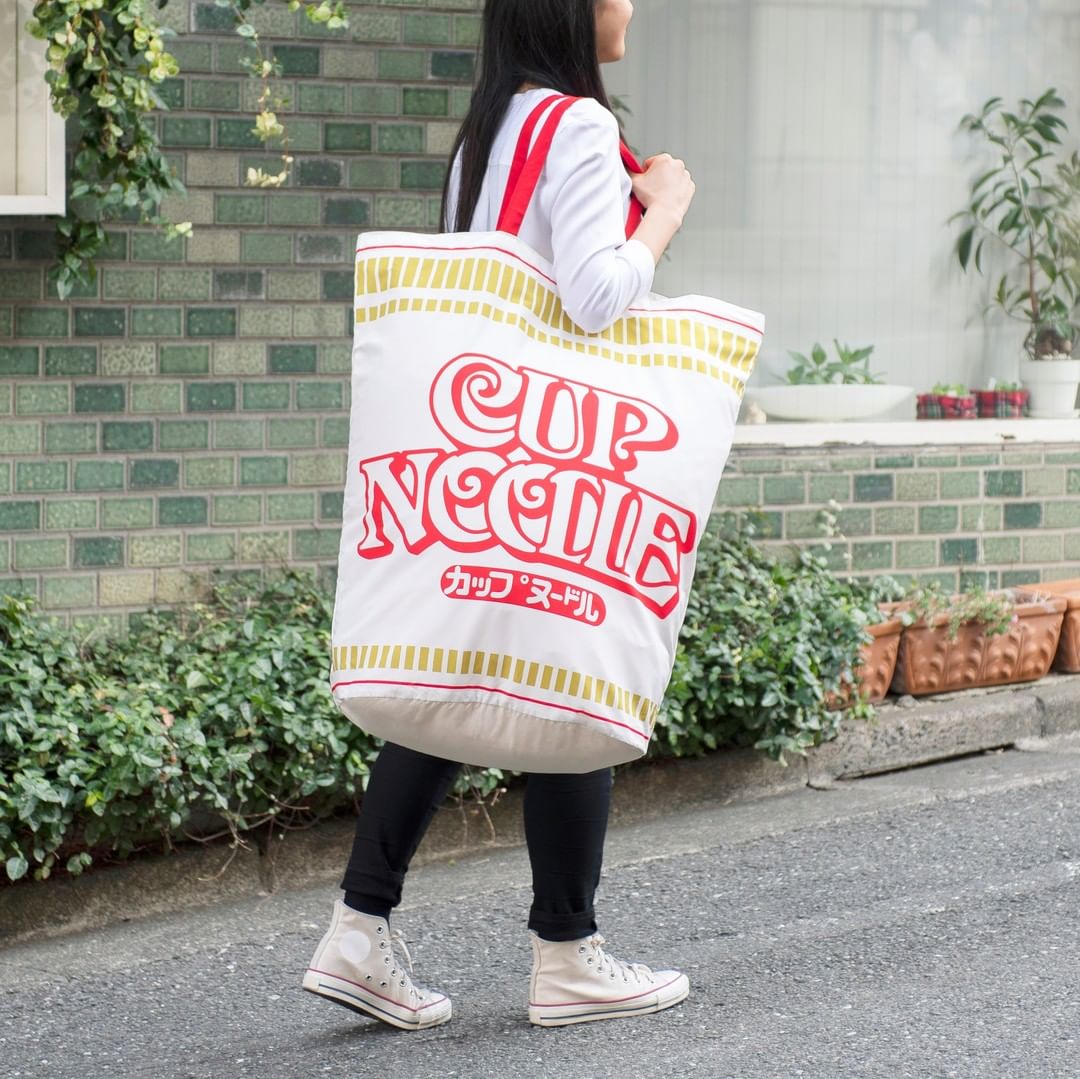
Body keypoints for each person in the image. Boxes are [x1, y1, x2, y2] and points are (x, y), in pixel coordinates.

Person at [302, 0, 696, 1030]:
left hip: (483, 446)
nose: (632, 6)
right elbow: (596, 294)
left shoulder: (491, 128)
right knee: (573, 671)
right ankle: (567, 953)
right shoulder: (572, 123)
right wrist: (661, 208)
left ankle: (359, 927)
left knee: (458, 674)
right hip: (550, 456)